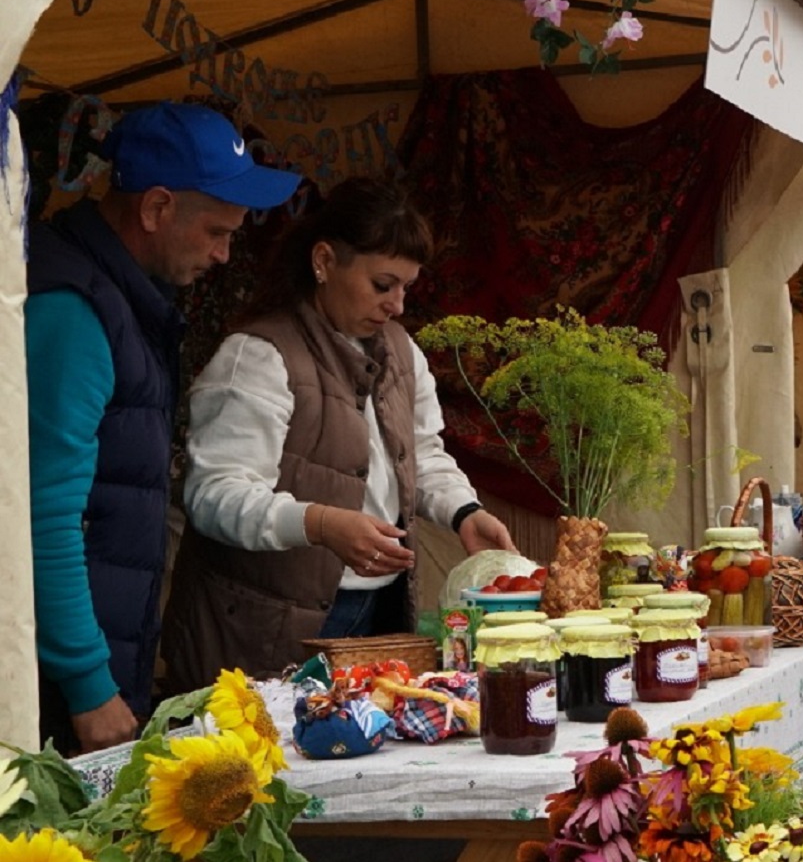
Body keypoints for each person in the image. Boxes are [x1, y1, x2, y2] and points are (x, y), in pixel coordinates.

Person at [161, 177, 517, 694]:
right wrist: (320, 523)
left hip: (380, 608)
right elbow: (214, 495)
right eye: (383, 284)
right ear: (324, 261)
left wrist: (464, 511)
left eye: (405, 288)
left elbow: (422, 454)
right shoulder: (257, 356)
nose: (397, 304)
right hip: (260, 626)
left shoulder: (400, 350)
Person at [26, 101, 301, 755]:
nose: (225, 253)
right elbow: (43, 512)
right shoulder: (74, 312)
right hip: (55, 693)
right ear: (155, 209)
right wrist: (90, 683)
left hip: (92, 666)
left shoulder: (121, 301)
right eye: (215, 231)